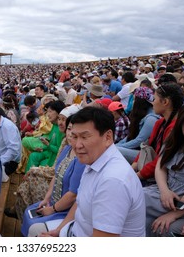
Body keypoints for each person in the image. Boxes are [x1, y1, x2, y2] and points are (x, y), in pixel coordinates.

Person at [39, 106, 145, 237]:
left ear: (107, 137)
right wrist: (59, 230)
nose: (77, 145)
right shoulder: (94, 161)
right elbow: (80, 204)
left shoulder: (113, 181)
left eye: (85, 137)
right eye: (74, 137)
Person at [22, 115, 85, 236]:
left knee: (35, 225)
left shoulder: (81, 158)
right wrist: (46, 199)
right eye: (70, 129)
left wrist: (52, 209)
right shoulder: (67, 149)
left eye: (76, 131)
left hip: (66, 210)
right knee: (29, 211)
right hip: (54, 202)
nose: (71, 133)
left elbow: (72, 195)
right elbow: (56, 176)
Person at [143, 100, 184, 236]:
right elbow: (161, 165)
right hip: (165, 191)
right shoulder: (175, 138)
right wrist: (164, 190)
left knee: (134, 199)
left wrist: (174, 215)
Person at [132, 83, 184, 183]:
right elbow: (147, 146)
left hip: (163, 177)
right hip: (152, 166)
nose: (152, 102)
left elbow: (161, 161)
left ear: (165, 102)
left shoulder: (174, 129)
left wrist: (135, 176)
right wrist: (132, 169)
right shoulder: (160, 122)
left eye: (154, 99)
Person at [116, 87, 159, 163]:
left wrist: (117, 147)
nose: (132, 102)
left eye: (134, 99)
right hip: (139, 151)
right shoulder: (143, 115)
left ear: (139, 102)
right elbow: (129, 137)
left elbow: (139, 141)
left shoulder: (151, 119)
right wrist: (117, 145)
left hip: (147, 155)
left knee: (116, 151)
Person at [25, 100, 65, 172]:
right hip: (48, 152)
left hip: (53, 157)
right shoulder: (54, 125)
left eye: (50, 111)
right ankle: (28, 178)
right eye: (47, 112)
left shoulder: (60, 129)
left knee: (39, 163)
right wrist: (42, 147)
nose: (48, 114)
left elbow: (59, 151)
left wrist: (47, 145)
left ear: (58, 112)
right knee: (33, 155)